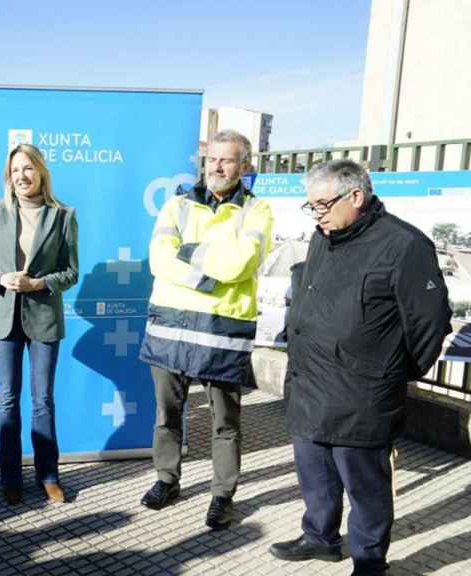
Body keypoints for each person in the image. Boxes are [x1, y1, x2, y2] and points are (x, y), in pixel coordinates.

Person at [269, 159, 452, 575]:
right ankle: (320, 538)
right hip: (310, 384)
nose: (317, 215)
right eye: (310, 206)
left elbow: (429, 322)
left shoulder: (405, 245)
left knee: (366, 487)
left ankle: (369, 561)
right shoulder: (323, 237)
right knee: (315, 474)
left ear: (356, 196)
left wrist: (394, 369)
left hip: (362, 393)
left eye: (322, 205)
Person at [137, 130, 273, 530]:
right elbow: (159, 260)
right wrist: (207, 276)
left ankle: (221, 494)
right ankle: (166, 479)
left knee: (225, 423)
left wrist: (190, 254)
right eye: (212, 159)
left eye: (227, 160)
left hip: (222, 330)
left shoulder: (258, 211)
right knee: (167, 415)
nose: (217, 167)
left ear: (244, 166)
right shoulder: (177, 205)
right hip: (170, 327)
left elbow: (239, 265)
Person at [0, 143, 79, 505]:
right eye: (15, 170)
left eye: (28, 169)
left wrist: (39, 284)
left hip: (45, 318)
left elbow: (71, 272)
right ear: (9, 175)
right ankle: (10, 479)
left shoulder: (63, 215)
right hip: (4, 318)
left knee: (43, 400)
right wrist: (2, 279)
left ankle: (49, 477)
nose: (22, 176)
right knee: (7, 400)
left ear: (41, 173)